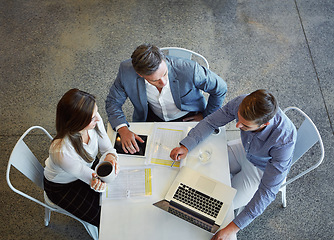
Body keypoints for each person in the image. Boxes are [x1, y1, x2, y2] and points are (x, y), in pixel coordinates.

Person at [170, 89, 297, 240]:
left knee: (220, 207)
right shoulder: (243, 102)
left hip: (262, 170)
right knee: (199, 166)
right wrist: (186, 146)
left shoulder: (284, 140)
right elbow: (211, 122)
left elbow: (267, 192)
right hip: (245, 150)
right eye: (238, 119)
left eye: (245, 125)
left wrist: (232, 229)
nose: (237, 126)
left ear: (265, 124)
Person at [105, 43, 227, 154]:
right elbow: (113, 102)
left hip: (189, 116)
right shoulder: (126, 71)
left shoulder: (190, 69)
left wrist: (206, 116)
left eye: (164, 74)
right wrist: (122, 128)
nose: (163, 82)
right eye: (155, 80)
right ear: (140, 75)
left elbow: (220, 88)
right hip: (151, 116)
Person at [44, 88, 119, 227]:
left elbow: (107, 149)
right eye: (92, 117)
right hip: (63, 186)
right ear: (77, 123)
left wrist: (110, 158)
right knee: (105, 218)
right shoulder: (61, 151)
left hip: (85, 168)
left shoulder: (94, 121)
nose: (98, 118)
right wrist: (104, 178)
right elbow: (94, 180)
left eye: (96, 112)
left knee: (114, 200)